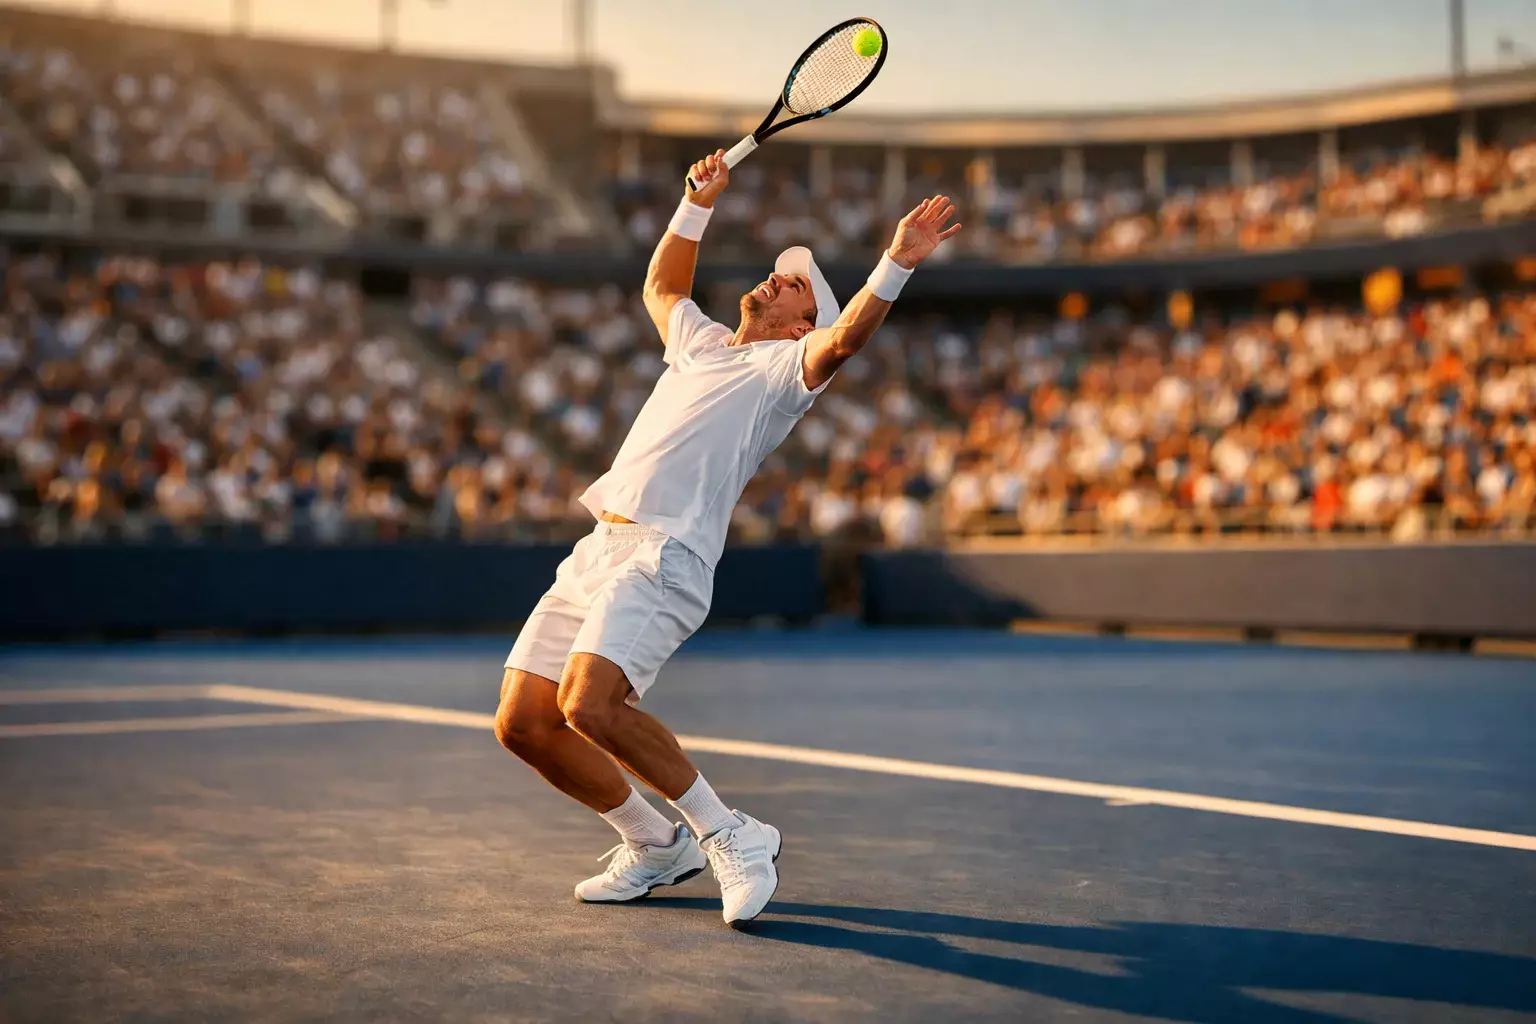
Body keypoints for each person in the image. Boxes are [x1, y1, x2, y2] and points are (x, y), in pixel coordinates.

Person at [492, 149, 961, 927]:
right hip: (597, 551)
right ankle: (652, 843)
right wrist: (696, 204)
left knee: (590, 706)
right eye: (782, 271)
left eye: (795, 284)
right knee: (521, 723)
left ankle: (732, 835)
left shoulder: (785, 369)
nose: (777, 277)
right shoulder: (701, 343)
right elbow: (661, 286)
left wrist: (895, 263)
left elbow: (845, 342)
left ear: (800, 322)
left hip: (664, 557)